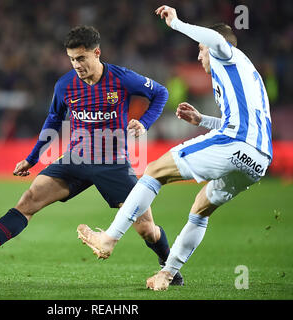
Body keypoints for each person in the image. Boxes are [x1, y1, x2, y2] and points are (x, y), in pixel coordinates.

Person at [0, 25, 184, 285]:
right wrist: (33, 157)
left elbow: (161, 92)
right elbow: (53, 119)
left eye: (81, 58)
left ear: (97, 53)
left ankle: (169, 269)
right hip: (76, 159)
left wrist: (145, 122)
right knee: (29, 200)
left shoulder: (122, 78)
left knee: (146, 229)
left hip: (113, 163)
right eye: (72, 59)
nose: (77, 65)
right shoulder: (65, 85)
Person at [77, 5, 272, 291]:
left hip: (238, 142)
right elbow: (240, 120)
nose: (199, 55)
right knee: (200, 209)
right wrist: (201, 119)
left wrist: (177, 23)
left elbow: (218, 40)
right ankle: (166, 274)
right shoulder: (246, 74)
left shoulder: (225, 53)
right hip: (259, 159)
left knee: (155, 170)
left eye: (200, 49)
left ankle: (109, 238)